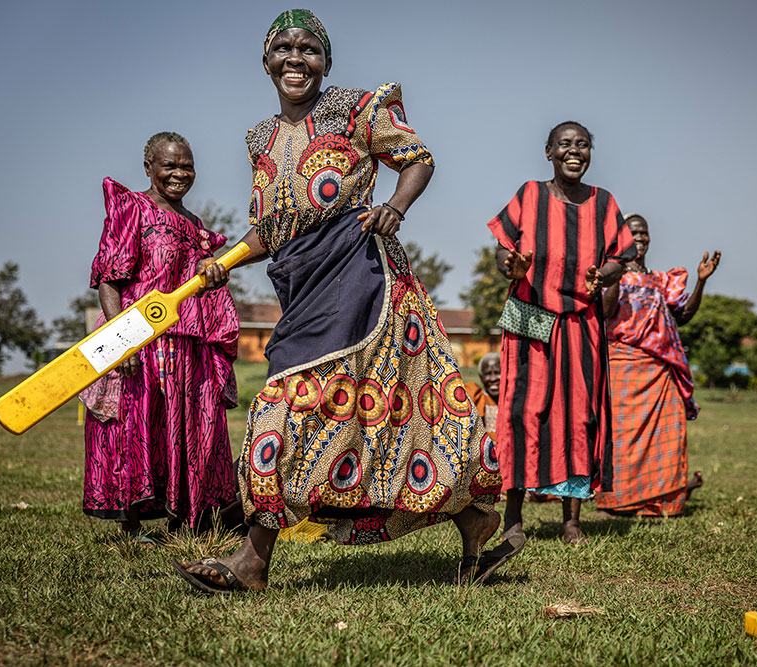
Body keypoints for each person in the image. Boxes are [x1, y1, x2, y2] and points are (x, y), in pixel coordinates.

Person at [175, 10, 519, 594]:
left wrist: (395, 207)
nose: (295, 58)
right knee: (370, 422)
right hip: (304, 287)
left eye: (308, 49)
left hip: (362, 277)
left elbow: (418, 159)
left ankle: (251, 562)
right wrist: (223, 261)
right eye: (282, 48)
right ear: (265, 63)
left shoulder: (356, 109)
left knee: (286, 407)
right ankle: (474, 521)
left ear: (326, 62)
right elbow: (271, 226)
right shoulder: (260, 139)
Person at [80, 132, 239, 538]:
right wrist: (121, 340)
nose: (179, 174)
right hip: (141, 339)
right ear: (148, 167)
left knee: (188, 428)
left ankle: (185, 518)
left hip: (188, 343)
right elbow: (110, 281)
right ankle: (130, 526)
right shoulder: (133, 208)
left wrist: (213, 270)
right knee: (136, 425)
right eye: (170, 165)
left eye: (187, 166)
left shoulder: (195, 224)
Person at [488, 121, 636, 545]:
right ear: (548, 151)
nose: (575, 151)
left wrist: (602, 276)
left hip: (580, 320)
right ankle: (513, 515)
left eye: (583, 145)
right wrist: (510, 265)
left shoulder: (604, 203)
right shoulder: (530, 194)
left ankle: (571, 519)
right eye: (565, 144)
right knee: (521, 411)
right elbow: (504, 246)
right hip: (528, 311)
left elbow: (619, 258)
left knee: (578, 414)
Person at [597, 214, 717, 516]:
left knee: (668, 436)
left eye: (644, 233)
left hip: (661, 369)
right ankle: (616, 502)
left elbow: (683, 315)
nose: (640, 237)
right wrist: (616, 269)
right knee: (622, 437)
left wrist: (701, 281)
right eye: (633, 232)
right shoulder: (611, 274)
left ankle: (661, 501)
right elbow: (606, 311)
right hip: (623, 364)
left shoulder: (663, 280)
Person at [464, 352, 500, 441]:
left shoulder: (513, 401)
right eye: (488, 374)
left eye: (497, 373)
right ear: (481, 377)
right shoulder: (476, 397)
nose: (493, 378)